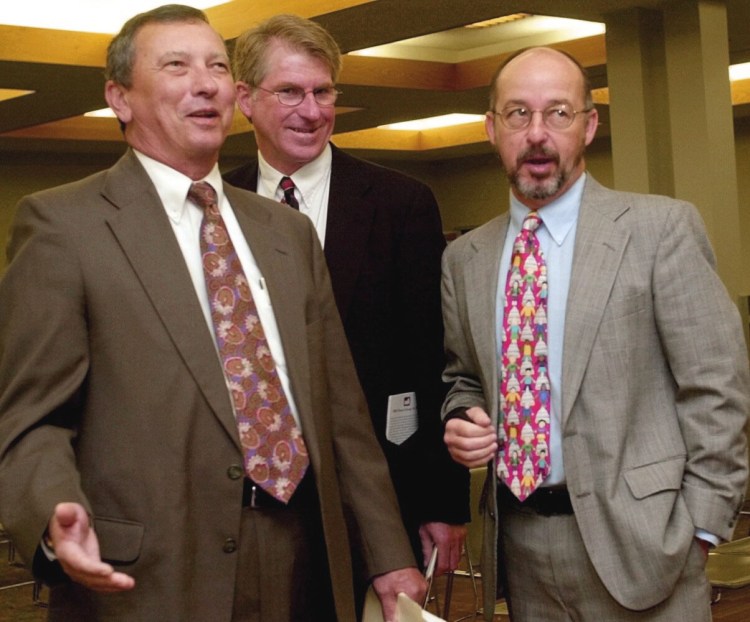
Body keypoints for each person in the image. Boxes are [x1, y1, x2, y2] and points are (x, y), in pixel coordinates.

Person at [0, 5, 426, 621]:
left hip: (305, 556)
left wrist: (388, 552)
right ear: (120, 97)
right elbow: (30, 418)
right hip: (155, 575)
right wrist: (52, 510)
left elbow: (343, 418)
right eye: (177, 65)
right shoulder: (64, 226)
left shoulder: (288, 233)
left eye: (217, 66)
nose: (205, 82)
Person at [441, 46, 750, 621]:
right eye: (518, 114)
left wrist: (701, 527)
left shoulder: (660, 230)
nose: (538, 134)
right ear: (491, 128)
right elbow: (463, 378)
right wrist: (463, 419)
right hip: (522, 548)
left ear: (589, 125)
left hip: (646, 546)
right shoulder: (466, 258)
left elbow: (717, 387)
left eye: (559, 113)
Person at [224, 12, 469, 594]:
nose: (312, 111)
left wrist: (442, 501)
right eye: (289, 91)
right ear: (245, 100)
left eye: (323, 91)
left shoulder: (400, 204)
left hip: (383, 495)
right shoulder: (214, 205)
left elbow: (433, 359)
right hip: (250, 506)